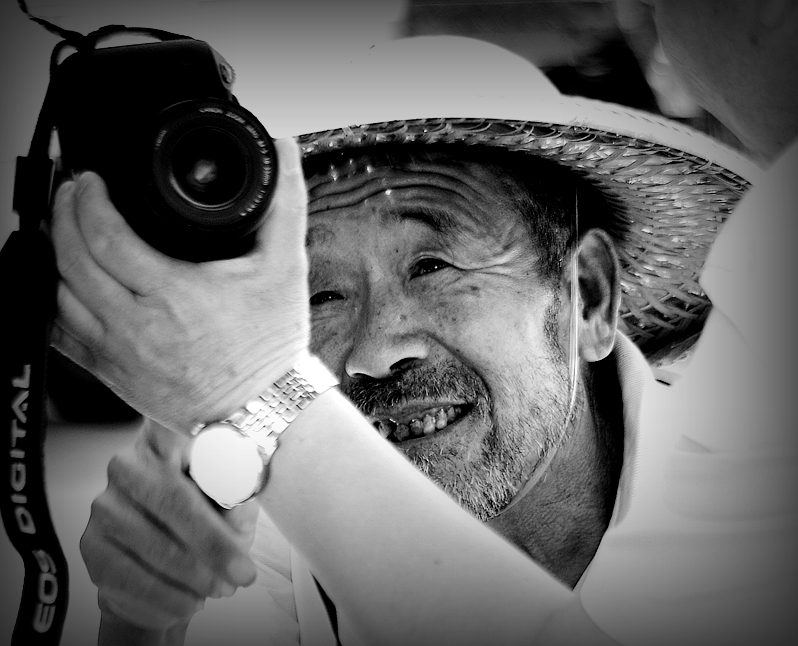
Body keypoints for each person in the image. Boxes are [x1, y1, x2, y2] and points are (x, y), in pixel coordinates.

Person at [51, 1, 797, 643]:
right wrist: (142, 619)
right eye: (320, 295)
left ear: (589, 296)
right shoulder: (259, 534)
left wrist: (250, 393)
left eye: (433, 267)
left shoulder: (763, 489)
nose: (377, 352)